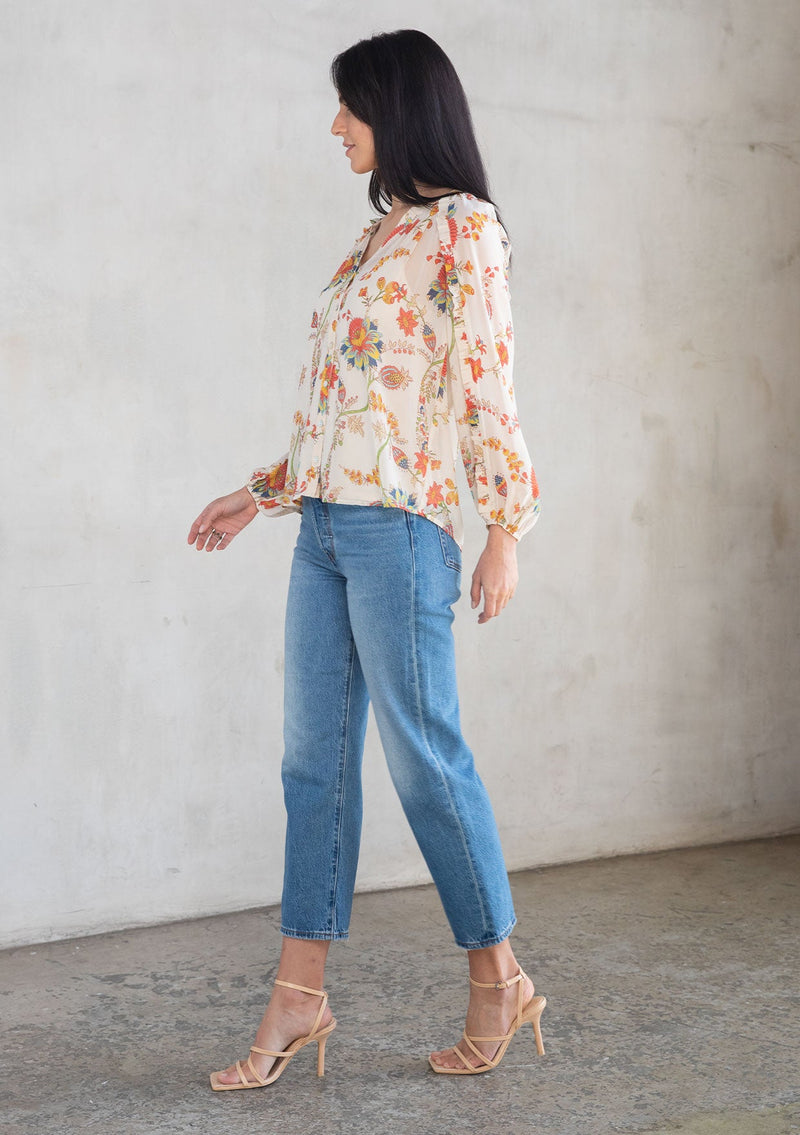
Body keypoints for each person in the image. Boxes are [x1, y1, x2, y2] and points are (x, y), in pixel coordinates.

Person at [188, 28, 545, 1088]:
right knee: (311, 766)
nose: (335, 126)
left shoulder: (464, 231)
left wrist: (504, 531)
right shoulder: (377, 236)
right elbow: (342, 407)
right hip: (327, 532)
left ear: (398, 109)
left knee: (423, 756)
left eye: (350, 107)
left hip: (403, 531)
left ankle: (498, 976)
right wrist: (259, 496)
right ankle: (298, 996)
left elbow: (485, 386)